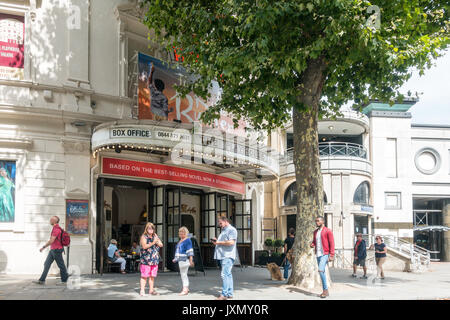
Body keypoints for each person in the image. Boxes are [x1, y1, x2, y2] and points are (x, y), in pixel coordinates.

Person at [33, 216, 69, 285]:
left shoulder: (56, 229)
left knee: (61, 265)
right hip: (53, 250)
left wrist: (43, 247)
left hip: (56, 250)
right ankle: (42, 280)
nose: (50, 220)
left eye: (51, 219)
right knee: (46, 264)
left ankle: (64, 280)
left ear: (54, 221)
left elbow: (51, 241)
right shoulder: (56, 228)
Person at [212, 216, 238, 300]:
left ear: (226, 221)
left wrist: (218, 242)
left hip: (227, 256)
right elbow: (224, 241)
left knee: (224, 275)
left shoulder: (232, 230)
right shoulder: (224, 230)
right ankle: (229, 293)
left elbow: (231, 242)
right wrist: (217, 240)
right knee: (228, 274)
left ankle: (224, 295)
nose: (219, 225)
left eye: (220, 223)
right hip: (223, 255)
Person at [310, 216, 335, 298]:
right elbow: (314, 241)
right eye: (316, 221)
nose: (316, 222)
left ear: (323, 221)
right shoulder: (315, 232)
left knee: (320, 270)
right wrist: (312, 244)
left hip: (325, 254)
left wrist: (332, 255)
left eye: (318, 221)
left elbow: (332, 243)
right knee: (322, 271)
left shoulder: (328, 231)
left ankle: (325, 290)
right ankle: (325, 290)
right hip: (318, 254)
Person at [139, 222, 163, 296]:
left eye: (152, 228)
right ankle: (142, 291)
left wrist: (157, 240)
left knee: (152, 276)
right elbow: (144, 246)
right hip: (146, 260)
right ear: (146, 229)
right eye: (149, 228)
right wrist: (153, 242)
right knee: (144, 276)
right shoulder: (144, 236)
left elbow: (161, 244)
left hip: (154, 259)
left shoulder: (155, 235)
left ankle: (151, 290)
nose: (151, 229)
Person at [172, 226, 195, 295]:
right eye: (180, 232)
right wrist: (176, 258)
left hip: (185, 260)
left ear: (186, 233)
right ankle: (186, 288)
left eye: (183, 232)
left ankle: (185, 289)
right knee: (183, 274)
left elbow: (190, 250)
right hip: (180, 260)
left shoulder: (187, 240)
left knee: (184, 275)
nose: (181, 233)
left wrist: (191, 260)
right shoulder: (181, 240)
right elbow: (178, 251)